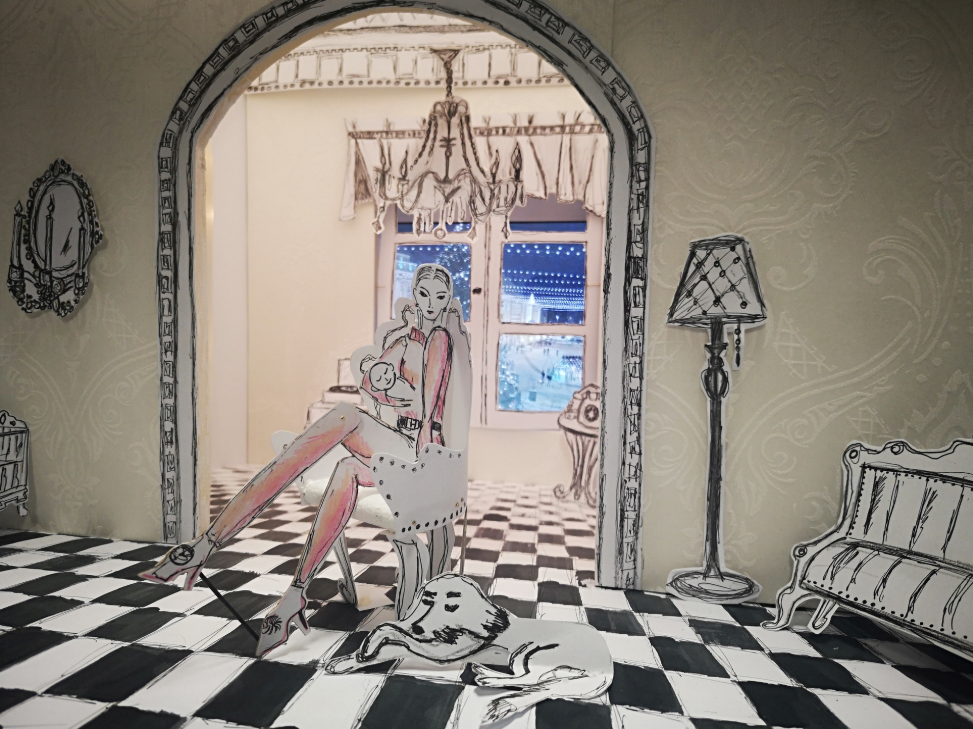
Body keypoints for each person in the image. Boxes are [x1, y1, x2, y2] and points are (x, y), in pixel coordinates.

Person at [140, 264, 466, 656]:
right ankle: (289, 590)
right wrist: (382, 377)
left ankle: (208, 543)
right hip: (396, 442)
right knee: (342, 467)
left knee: (344, 416)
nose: (431, 304)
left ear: (447, 300)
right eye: (424, 294)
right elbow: (369, 380)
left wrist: (389, 387)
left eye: (439, 297)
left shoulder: (440, 339)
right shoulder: (406, 338)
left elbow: (426, 406)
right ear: (414, 294)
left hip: (421, 452)